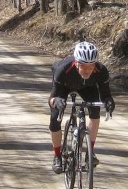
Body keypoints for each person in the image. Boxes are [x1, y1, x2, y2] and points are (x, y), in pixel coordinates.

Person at [48, 41, 115, 173]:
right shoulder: (63, 69)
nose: (87, 70)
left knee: (95, 113)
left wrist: (108, 102)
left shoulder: (101, 71)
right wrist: (57, 102)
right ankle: (57, 156)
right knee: (55, 118)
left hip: (87, 87)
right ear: (76, 63)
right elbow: (52, 99)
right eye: (84, 67)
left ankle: (90, 153)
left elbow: (106, 95)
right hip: (64, 86)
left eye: (91, 67)